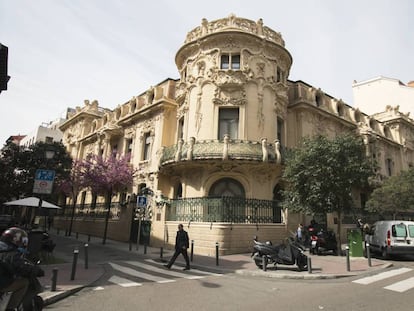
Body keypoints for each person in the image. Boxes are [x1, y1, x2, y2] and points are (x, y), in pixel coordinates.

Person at [0, 227, 30, 311]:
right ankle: (10, 308)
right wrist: (35, 270)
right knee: (24, 282)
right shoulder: (11, 252)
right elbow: (20, 266)